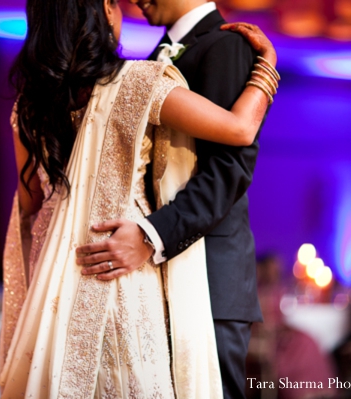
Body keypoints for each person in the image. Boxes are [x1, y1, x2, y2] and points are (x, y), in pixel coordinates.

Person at [0, 0, 279, 396]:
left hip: (62, 279)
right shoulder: (134, 79)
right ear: (103, 11)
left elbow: (28, 210)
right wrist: (267, 66)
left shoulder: (29, 107)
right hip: (123, 271)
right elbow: (239, 129)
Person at [76, 2, 266, 398]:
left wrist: (150, 236)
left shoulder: (226, 45)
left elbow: (229, 170)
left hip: (211, 273)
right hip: (154, 276)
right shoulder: (153, 55)